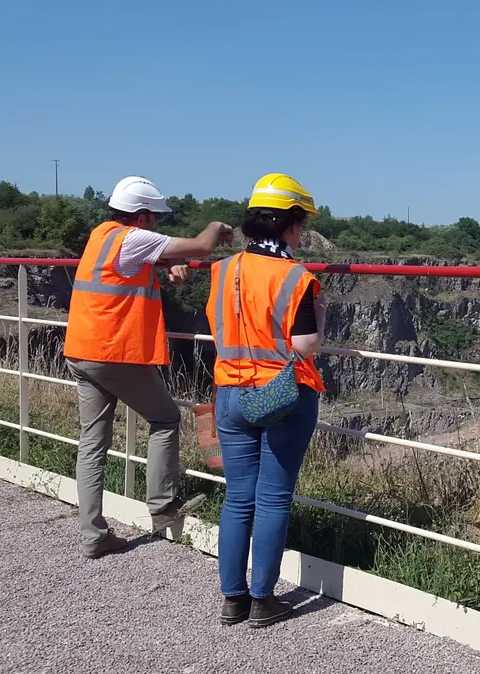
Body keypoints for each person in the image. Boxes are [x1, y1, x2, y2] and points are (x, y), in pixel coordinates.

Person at [64, 175, 234, 560]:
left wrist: (167, 263)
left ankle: (93, 534)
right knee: (165, 418)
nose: (156, 222)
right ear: (140, 217)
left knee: (92, 442)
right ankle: (163, 506)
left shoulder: (102, 235)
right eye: (154, 216)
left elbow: (129, 267)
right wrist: (216, 227)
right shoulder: (133, 238)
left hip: (81, 350)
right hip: (113, 354)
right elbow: (203, 245)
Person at [205, 173, 326, 628]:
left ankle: (232, 600)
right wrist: (322, 314)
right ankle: (262, 601)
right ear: (290, 225)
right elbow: (306, 346)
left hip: (230, 394)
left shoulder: (223, 269)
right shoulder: (296, 276)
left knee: (238, 498)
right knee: (273, 499)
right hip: (280, 396)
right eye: (301, 222)